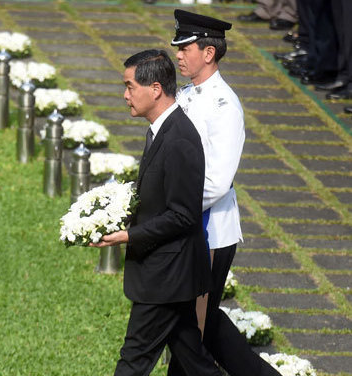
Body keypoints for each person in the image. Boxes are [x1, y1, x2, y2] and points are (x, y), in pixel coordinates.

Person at [90, 49, 221, 376]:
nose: (125, 95)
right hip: (170, 274)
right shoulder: (161, 129)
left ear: (156, 89)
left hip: (167, 275)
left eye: (130, 87)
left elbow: (182, 215)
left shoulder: (179, 139)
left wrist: (129, 235)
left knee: (133, 361)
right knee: (193, 360)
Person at [168, 9, 281, 376]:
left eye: (186, 47)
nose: (179, 55)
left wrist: (171, 206)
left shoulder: (224, 105)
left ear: (209, 53)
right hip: (187, 225)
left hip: (209, 231)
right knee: (199, 324)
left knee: (194, 331)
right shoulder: (187, 95)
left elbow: (217, 180)